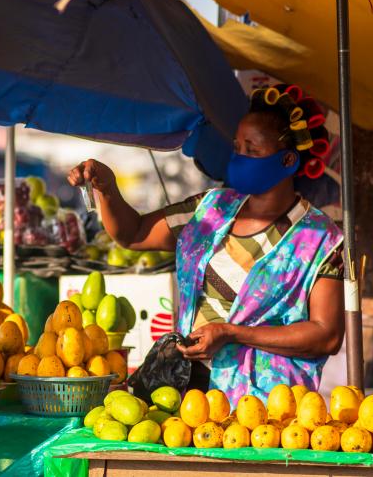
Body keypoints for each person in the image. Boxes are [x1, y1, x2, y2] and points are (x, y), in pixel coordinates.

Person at [69, 84, 344, 405]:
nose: (240, 157)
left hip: (265, 409)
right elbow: (134, 233)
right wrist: (107, 188)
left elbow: (326, 335)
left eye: (252, 151)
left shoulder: (321, 240)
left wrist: (233, 333)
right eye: (238, 147)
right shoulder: (209, 210)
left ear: (287, 161)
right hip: (185, 395)